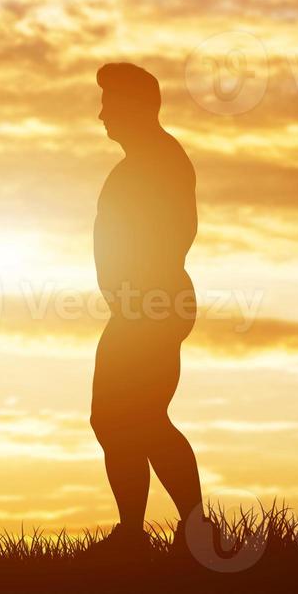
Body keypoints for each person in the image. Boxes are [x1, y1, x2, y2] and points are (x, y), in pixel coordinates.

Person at [86, 63, 212, 556]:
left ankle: (186, 527)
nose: (101, 115)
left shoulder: (161, 158)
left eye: (109, 104)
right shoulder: (143, 160)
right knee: (115, 416)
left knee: (141, 415)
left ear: (136, 107)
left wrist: (140, 291)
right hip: (137, 304)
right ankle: (134, 532)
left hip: (152, 304)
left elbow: (178, 230)